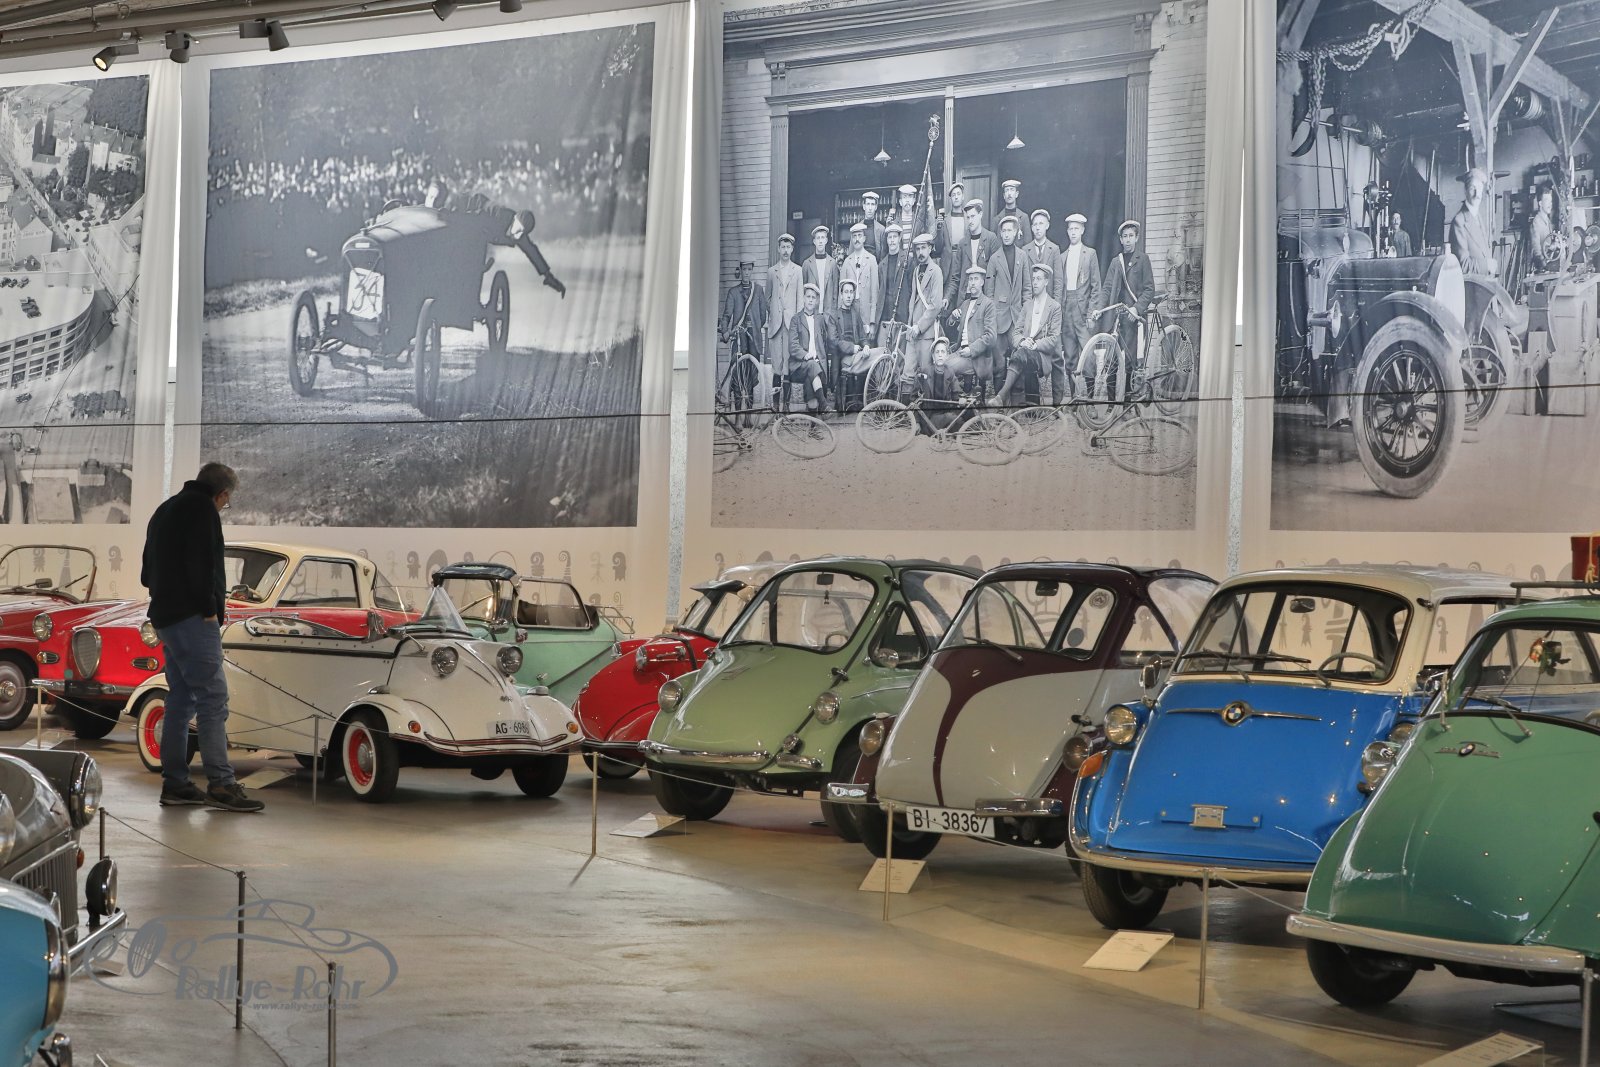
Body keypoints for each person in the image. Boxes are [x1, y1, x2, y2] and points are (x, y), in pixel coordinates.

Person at [142, 463, 263, 813]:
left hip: (165, 618)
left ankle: (176, 784)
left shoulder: (165, 509)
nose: (224, 506)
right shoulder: (202, 510)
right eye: (227, 501)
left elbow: (146, 572)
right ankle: (221, 784)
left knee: (180, 700)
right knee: (213, 698)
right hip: (193, 618)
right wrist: (209, 608)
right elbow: (203, 565)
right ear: (221, 494)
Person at [1094, 219, 1155, 384]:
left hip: (1133, 317)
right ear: (1120, 239)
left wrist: (1136, 309)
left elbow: (1149, 289)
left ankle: (1128, 397)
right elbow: (1107, 289)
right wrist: (1099, 309)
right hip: (1117, 316)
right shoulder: (1116, 262)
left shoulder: (1143, 259)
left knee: (1130, 361)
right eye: (1125, 236)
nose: (1128, 240)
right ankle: (1111, 400)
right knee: (1110, 360)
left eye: (1131, 236)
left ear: (1136, 238)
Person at [992, 261, 1061, 407]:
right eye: (1033, 279)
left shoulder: (1054, 307)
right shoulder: (1027, 305)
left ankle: (1001, 396)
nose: (1035, 282)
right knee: (1021, 356)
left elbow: (1054, 338)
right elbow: (1016, 333)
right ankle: (1022, 411)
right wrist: (1022, 341)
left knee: (1019, 355)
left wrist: (1035, 345)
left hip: (1042, 356)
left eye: (1039, 279)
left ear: (1046, 282)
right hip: (1024, 353)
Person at [1057, 212, 1102, 405]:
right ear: (1067, 231)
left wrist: (1091, 313)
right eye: (1071, 229)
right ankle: (1075, 398)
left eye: (1077, 228)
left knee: (1089, 355)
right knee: (1070, 355)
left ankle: (1090, 400)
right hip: (1066, 308)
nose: (1073, 232)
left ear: (1083, 230)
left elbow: (1096, 286)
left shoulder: (1090, 254)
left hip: (1083, 311)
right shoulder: (1062, 257)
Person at [718, 259, 769, 423]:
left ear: (752, 270)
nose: (746, 272)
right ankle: (738, 417)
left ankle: (748, 417)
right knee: (737, 376)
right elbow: (726, 316)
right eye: (744, 269)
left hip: (754, 340)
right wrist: (726, 332)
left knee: (751, 377)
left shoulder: (758, 290)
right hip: (739, 338)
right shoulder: (733, 292)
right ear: (740, 271)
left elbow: (763, 315)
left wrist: (754, 327)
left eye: (749, 269)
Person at [985, 215, 1028, 399]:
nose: (1007, 234)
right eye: (1004, 231)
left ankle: (1017, 402)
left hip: (1017, 317)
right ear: (1000, 233)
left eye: (1010, 230)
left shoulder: (1023, 256)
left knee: (1019, 357)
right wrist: (991, 317)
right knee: (999, 363)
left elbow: (1027, 288)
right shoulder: (994, 259)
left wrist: (1025, 315)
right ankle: (998, 402)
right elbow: (989, 292)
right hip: (998, 318)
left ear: (1016, 232)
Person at [766, 233, 804, 408]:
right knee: (777, 366)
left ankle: (786, 406)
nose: (786, 250)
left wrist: (796, 323)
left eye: (788, 247)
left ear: (792, 249)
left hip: (790, 325)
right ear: (778, 249)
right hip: (776, 326)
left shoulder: (798, 271)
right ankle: (775, 406)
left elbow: (800, 300)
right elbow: (767, 298)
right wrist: (775, 313)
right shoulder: (771, 272)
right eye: (783, 247)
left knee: (788, 365)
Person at [942, 198, 1001, 310]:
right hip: (965, 297)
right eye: (968, 217)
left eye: (973, 216)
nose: (970, 220)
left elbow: (997, 274)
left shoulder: (990, 239)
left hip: (984, 297)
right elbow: (955, 277)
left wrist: (991, 300)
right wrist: (947, 298)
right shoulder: (962, 243)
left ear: (980, 214)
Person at [949, 265, 997, 397]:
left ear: (982, 282)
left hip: (975, 357)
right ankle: (956, 399)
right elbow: (951, 326)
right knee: (937, 365)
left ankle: (958, 398)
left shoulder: (988, 304)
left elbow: (991, 337)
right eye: (970, 279)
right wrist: (953, 317)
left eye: (976, 279)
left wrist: (971, 350)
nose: (973, 282)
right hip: (960, 351)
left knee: (945, 368)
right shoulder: (965, 304)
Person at [787, 282, 834, 412]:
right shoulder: (795, 319)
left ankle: (812, 420)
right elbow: (792, 346)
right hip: (798, 366)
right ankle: (823, 405)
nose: (811, 300)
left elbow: (825, 343)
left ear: (817, 301)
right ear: (803, 298)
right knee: (812, 366)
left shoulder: (820, 320)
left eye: (813, 297)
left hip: (815, 366)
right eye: (808, 296)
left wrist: (821, 359)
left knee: (810, 377)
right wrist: (806, 355)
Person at [905, 233, 945, 383]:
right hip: (913, 330)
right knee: (907, 374)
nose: (920, 252)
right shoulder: (916, 270)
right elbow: (912, 300)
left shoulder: (936, 271)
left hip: (926, 332)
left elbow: (935, 306)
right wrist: (911, 324)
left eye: (923, 248)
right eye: (917, 249)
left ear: (930, 248)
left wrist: (919, 326)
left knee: (925, 374)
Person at [1449, 168, 1497, 277]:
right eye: (1472, 188)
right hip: (1471, 285)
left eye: (1479, 188)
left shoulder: (1478, 216)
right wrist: (1487, 265)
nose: (1477, 194)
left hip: (1483, 281)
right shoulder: (1459, 221)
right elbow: (1463, 265)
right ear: (1465, 191)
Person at [829, 279, 867, 411]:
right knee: (851, 363)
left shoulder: (855, 314)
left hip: (856, 353)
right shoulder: (834, 316)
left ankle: (859, 402)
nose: (849, 295)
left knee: (866, 360)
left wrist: (866, 345)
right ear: (841, 295)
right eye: (846, 292)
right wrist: (852, 348)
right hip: (841, 354)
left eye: (851, 292)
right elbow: (833, 340)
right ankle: (844, 404)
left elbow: (862, 336)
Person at [877, 224, 913, 341]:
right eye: (889, 237)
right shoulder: (882, 264)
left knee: (899, 349)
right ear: (886, 240)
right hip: (885, 316)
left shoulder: (907, 260)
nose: (892, 240)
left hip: (902, 315)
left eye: (895, 237)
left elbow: (912, 289)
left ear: (899, 238)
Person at [843, 222, 881, 330]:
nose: (857, 239)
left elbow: (875, 293)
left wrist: (872, 321)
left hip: (867, 314)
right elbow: (841, 292)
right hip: (850, 312)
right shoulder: (847, 262)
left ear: (864, 238)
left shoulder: (871, 260)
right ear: (851, 239)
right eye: (854, 236)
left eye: (859, 236)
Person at [803, 224, 840, 311]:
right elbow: (803, 291)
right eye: (818, 238)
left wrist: (833, 312)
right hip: (812, 312)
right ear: (814, 241)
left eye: (822, 238)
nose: (820, 241)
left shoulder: (832, 263)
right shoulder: (807, 264)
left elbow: (835, 291)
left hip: (828, 312)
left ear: (826, 240)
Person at [1528, 185, 1559, 273]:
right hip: (1541, 268)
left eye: (1551, 201)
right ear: (1540, 203)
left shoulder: (1547, 220)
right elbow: (1536, 249)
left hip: (1549, 262)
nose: (1550, 204)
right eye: (1547, 201)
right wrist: (1544, 265)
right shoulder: (1536, 222)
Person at [859, 190, 888, 260]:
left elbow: (883, 256)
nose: (870, 208)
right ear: (864, 206)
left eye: (872, 204)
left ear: (876, 207)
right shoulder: (857, 228)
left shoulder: (881, 230)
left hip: (875, 265)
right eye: (868, 204)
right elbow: (851, 254)